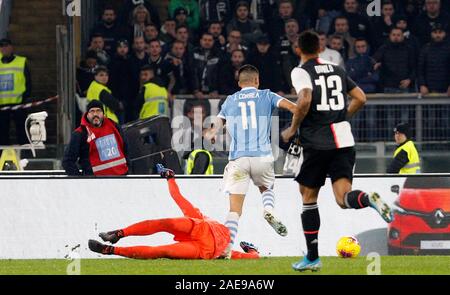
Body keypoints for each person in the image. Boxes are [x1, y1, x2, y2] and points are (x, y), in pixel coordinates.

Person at [281, 31, 393, 272]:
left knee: (308, 198)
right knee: (344, 199)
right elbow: (360, 98)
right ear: (320, 48)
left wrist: (293, 128)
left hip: (317, 142)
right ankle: (368, 198)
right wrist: (341, 118)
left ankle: (312, 258)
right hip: (343, 140)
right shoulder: (337, 69)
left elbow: (305, 98)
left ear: (298, 49)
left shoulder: (300, 71)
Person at [208, 64, 301, 258]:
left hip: (238, 159)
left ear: (239, 82)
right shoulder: (267, 95)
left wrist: (212, 132)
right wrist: (295, 129)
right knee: (266, 188)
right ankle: (268, 209)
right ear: (257, 81)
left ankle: (225, 248)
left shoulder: (230, 100)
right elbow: (294, 108)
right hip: (262, 156)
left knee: (234, 210)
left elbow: (216, 122)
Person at [88, 164, 259, 260]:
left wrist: (251, 250)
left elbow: (254, 258)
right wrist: (170, 178)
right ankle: (118, 234)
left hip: (202, 248)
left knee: (162, 250)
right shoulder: (200, 219)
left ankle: (109, 250)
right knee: (165, 224)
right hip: (200, 232)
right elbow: (177, 196)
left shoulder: (228, 251)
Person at [62, 100, 129, 176]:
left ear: (103, 114)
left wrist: (127, 171)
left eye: (98, 111)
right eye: (92, 111)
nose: (95, 114)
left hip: (120, 180)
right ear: (87, 114)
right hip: (94, 184)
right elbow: (67, 161)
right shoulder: (80, 134)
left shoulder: (114, 127)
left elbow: (125, 149)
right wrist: (80, 181)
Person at [0, 38, 31, 145]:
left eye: (6, 45)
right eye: (1, 46)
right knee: (2, 132)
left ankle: (24, 152)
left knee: (22, 129)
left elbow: (28, 81)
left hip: (19, 102)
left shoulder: (21, 61)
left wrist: (25, 97)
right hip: (2, 104)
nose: (4, 48)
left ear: (11, 47)